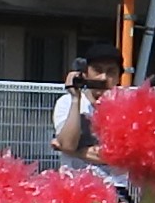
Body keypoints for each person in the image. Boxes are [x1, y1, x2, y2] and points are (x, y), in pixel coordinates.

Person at [52, 44, 122, 174]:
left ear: (118, 77)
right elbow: (68, 144)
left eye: (111, 72)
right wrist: (75, 99)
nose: (103, 78)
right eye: (97, 70)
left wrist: (74, 151)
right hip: (74, 186)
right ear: (85, 73)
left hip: (114, 188)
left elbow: (120, 157)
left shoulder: (126, 107)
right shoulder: (66, 102)